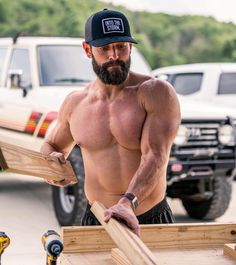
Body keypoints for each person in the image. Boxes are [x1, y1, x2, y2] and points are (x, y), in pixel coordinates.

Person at [40, 8, 181, 236]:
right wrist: (50, 164)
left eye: (121, 46)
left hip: (150, 218)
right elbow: (51, 145)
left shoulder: (156, 93)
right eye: (104, 48)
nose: (114, 55)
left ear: (131, 47)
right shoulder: (76, 103)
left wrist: (128, 203)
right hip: (97, 219)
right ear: (88, 50)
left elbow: (156, 156)